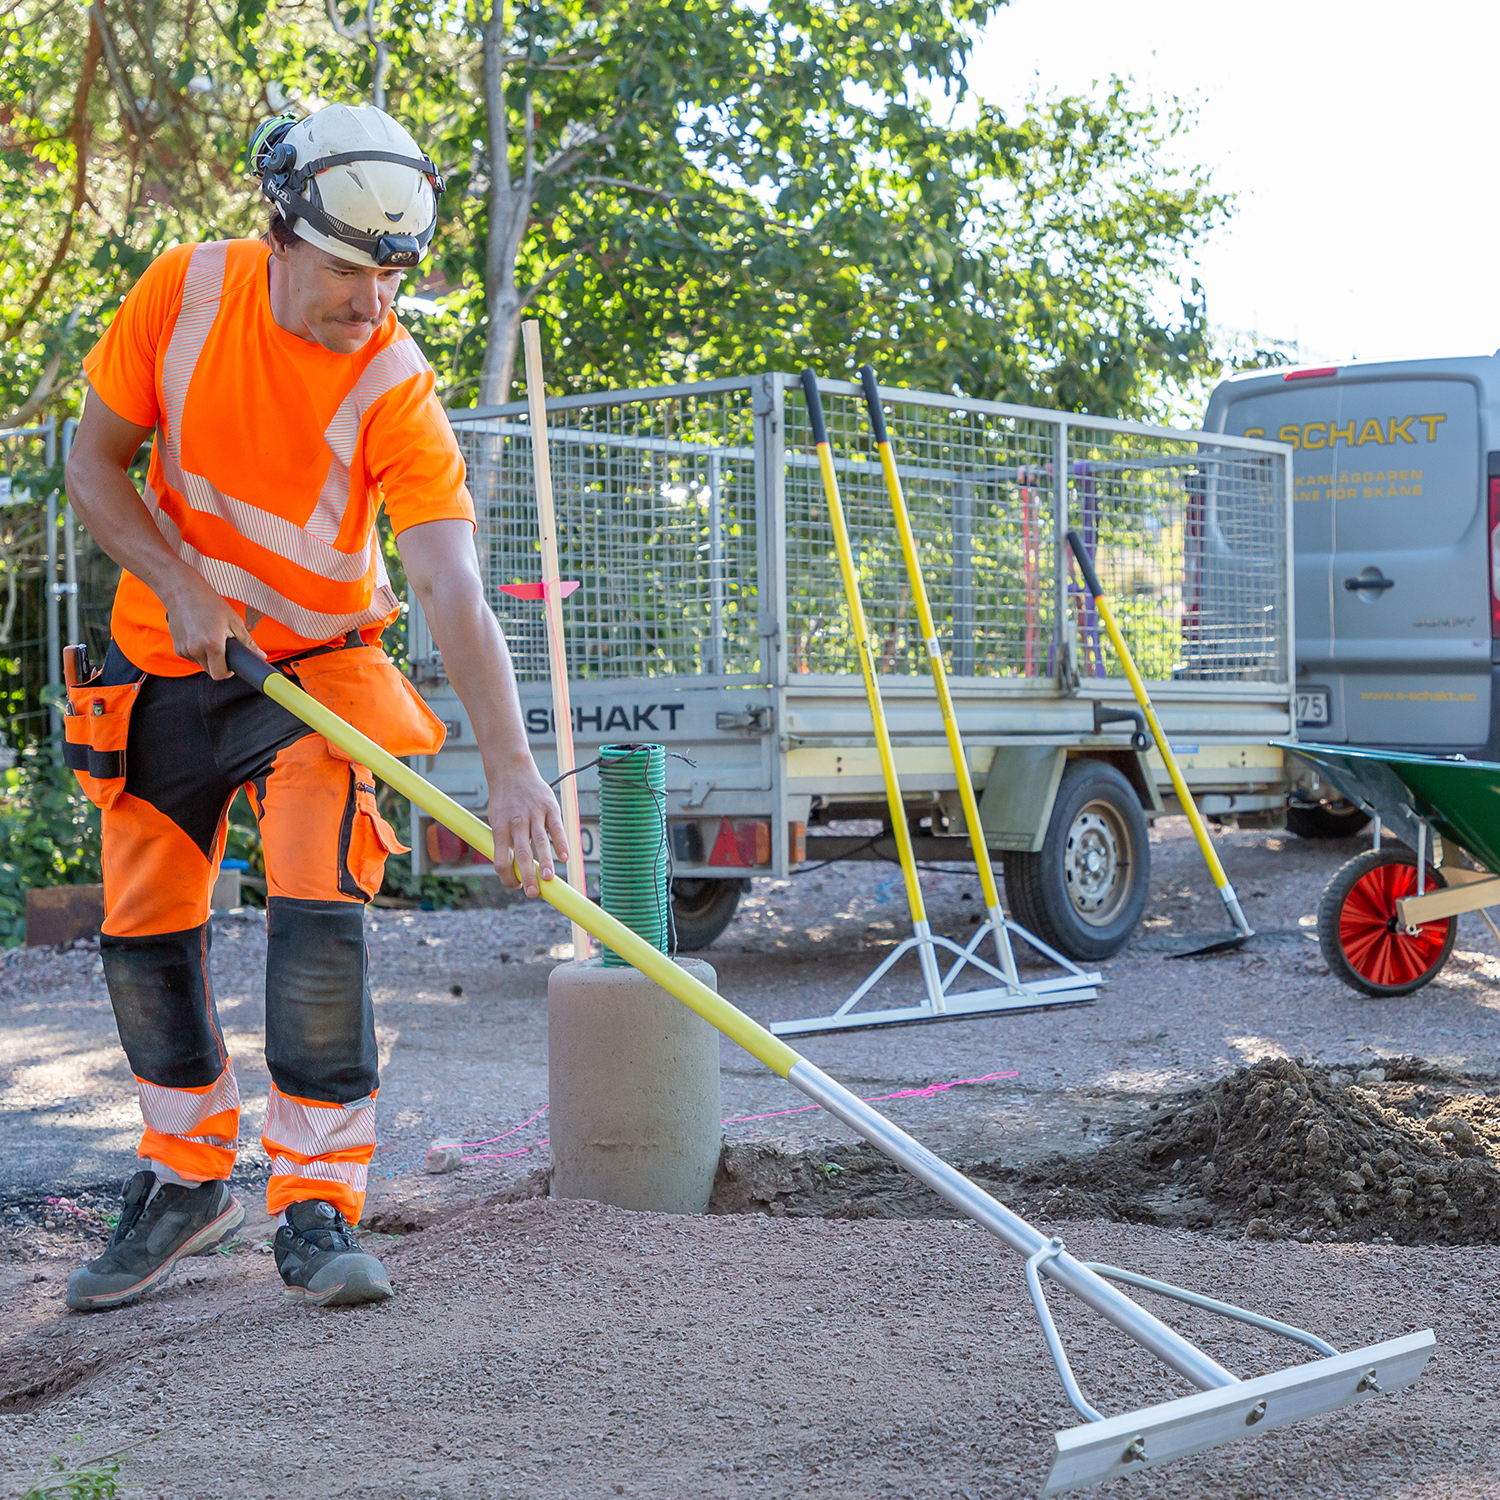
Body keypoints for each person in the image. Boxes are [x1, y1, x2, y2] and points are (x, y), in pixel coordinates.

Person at [62, 102, 566, 1311]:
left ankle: (317, 1200)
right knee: (140, 939)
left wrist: (512, 767)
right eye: (348, 270)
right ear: (278, 233)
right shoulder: (183, 294)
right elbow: (93, 463)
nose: (371, 302)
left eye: (392, 275)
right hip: (164, 659)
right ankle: (187, 1180)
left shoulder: (396, 379)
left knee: (315, 929)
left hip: (318, 677)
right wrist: (180, 584)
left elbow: (447, 577)